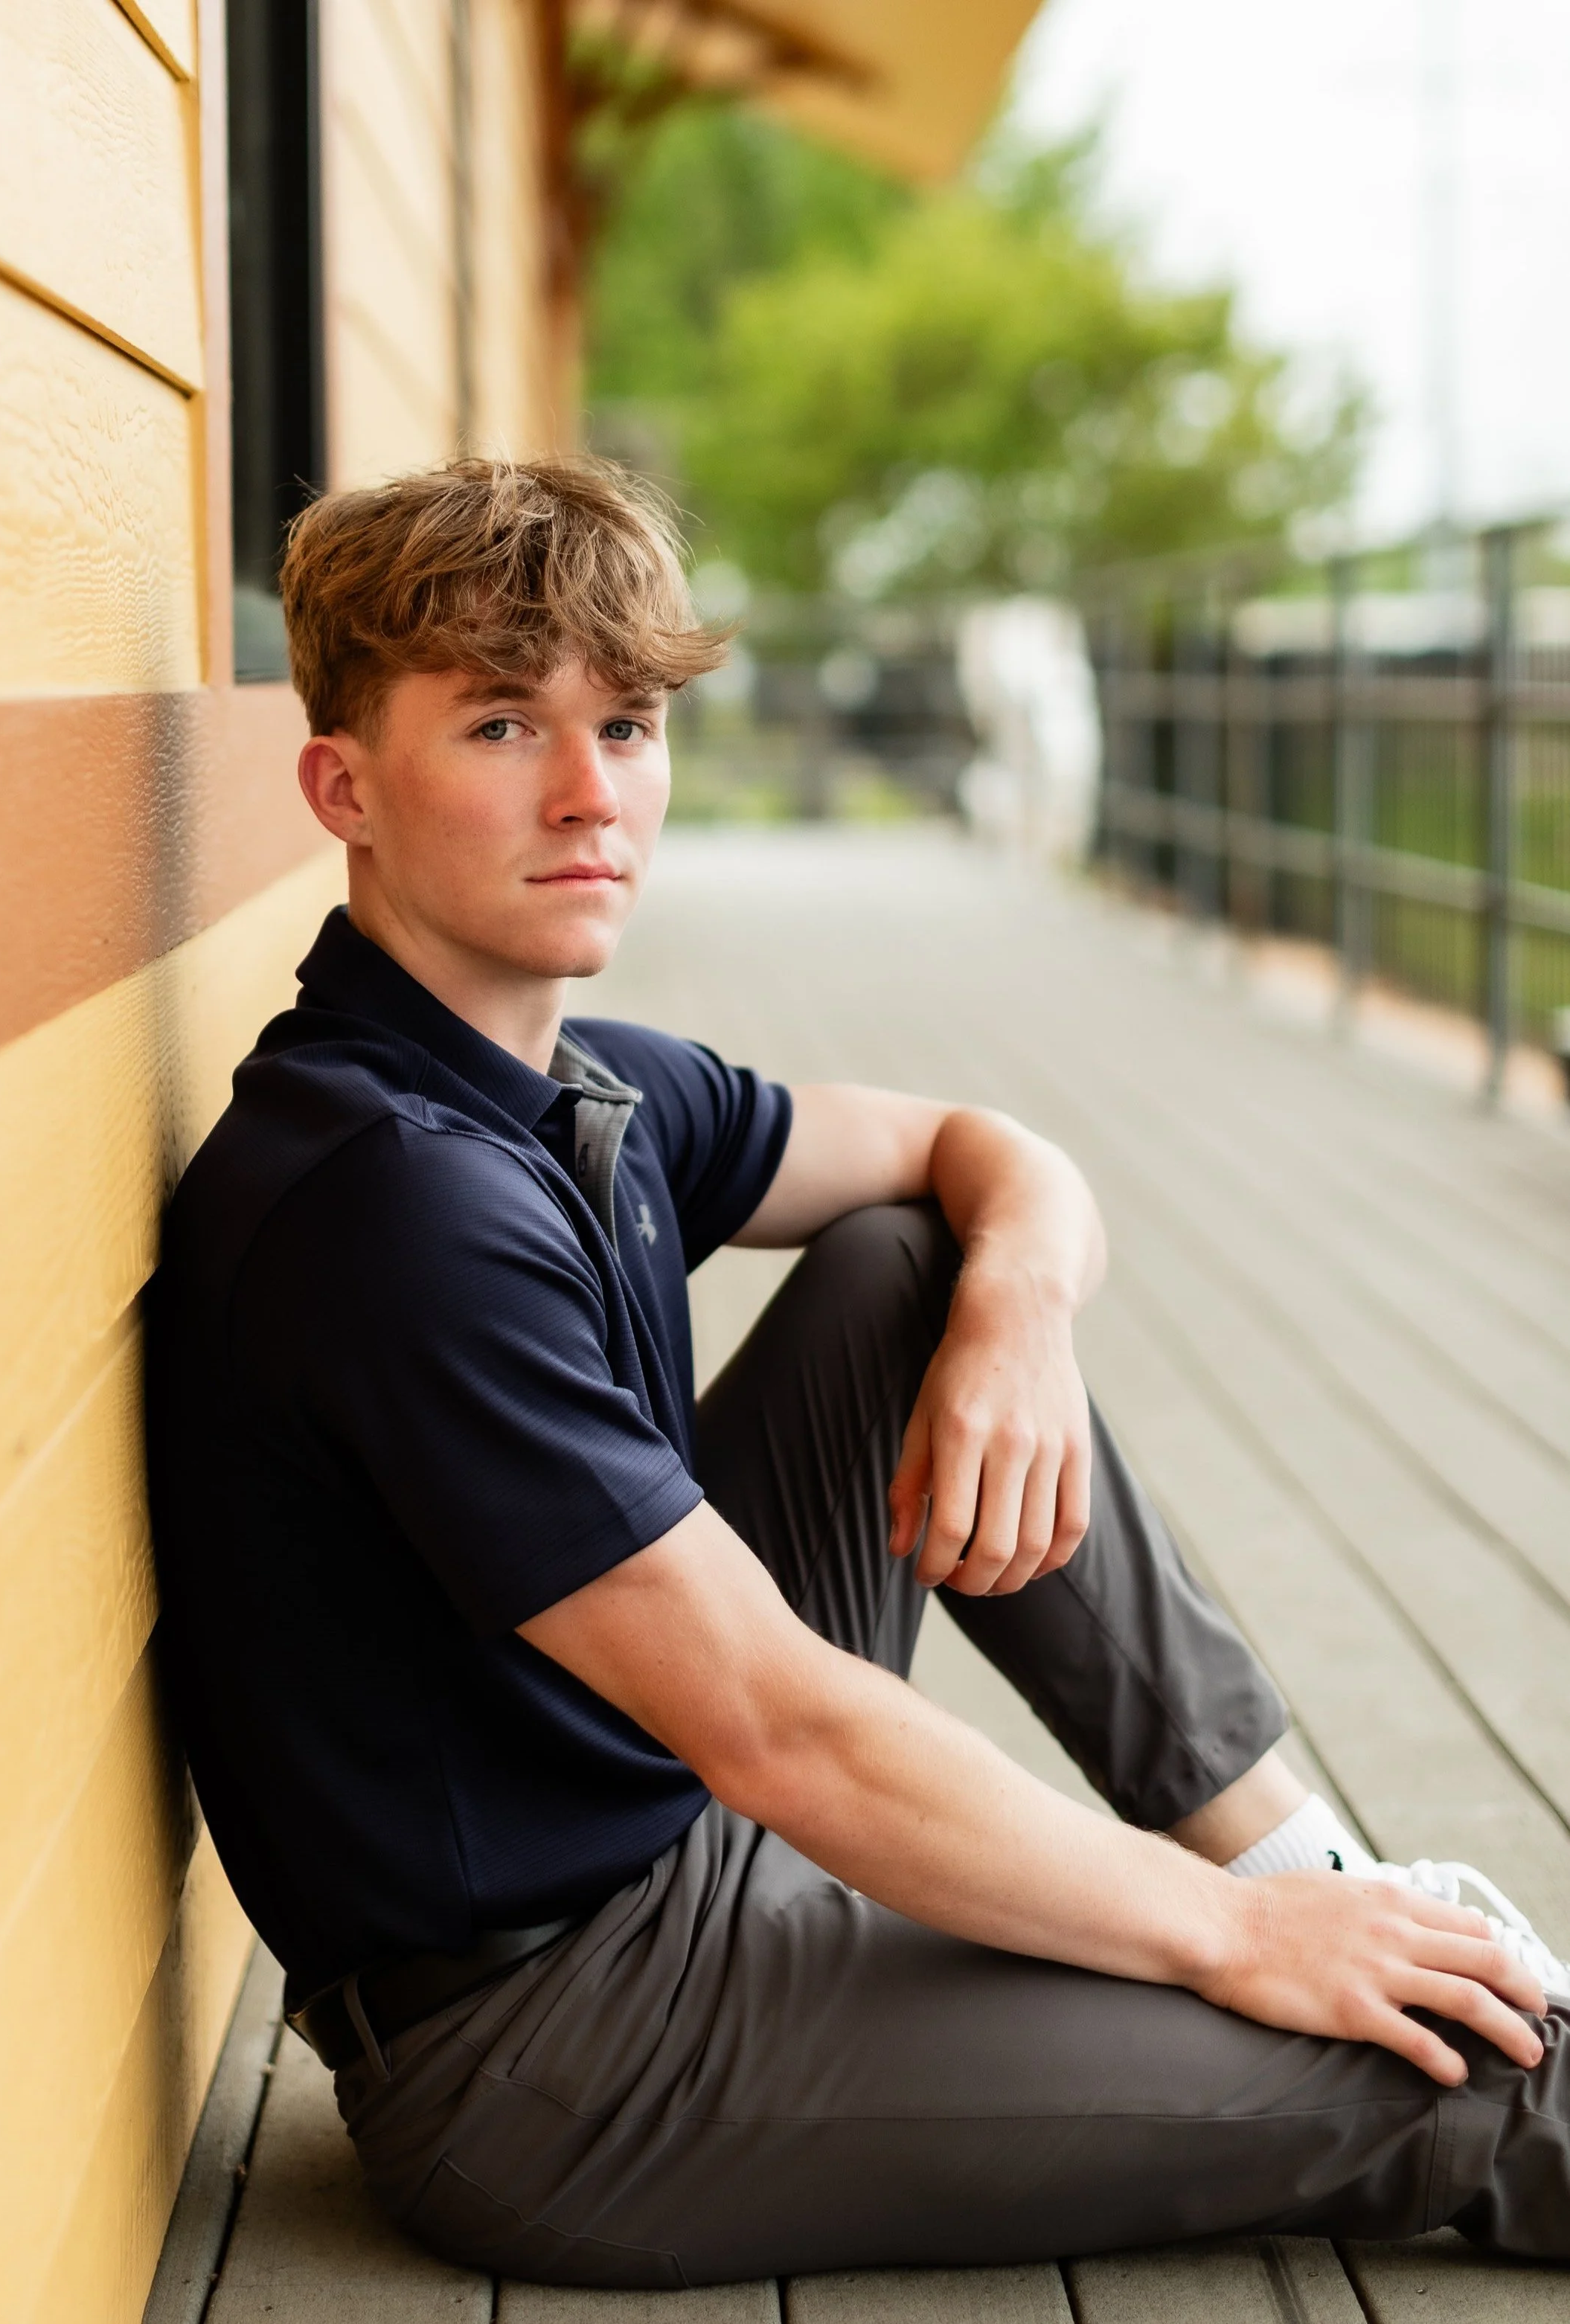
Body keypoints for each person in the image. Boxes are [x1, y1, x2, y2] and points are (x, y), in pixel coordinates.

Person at [146, 458, 1570, 2288]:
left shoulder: (570, 1085)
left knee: (917, 1265)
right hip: (567, 2048)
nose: (590, 792)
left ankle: (1315, 1872)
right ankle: (1338, 1945)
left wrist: (1016, 1317)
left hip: (665, 1818)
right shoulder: (393, 1200)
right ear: (343, 785)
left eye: (627, 724)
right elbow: (777, 1724)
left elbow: (981, 1149)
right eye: (502, 725)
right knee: (1451, 2069)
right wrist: (1222, 1943)